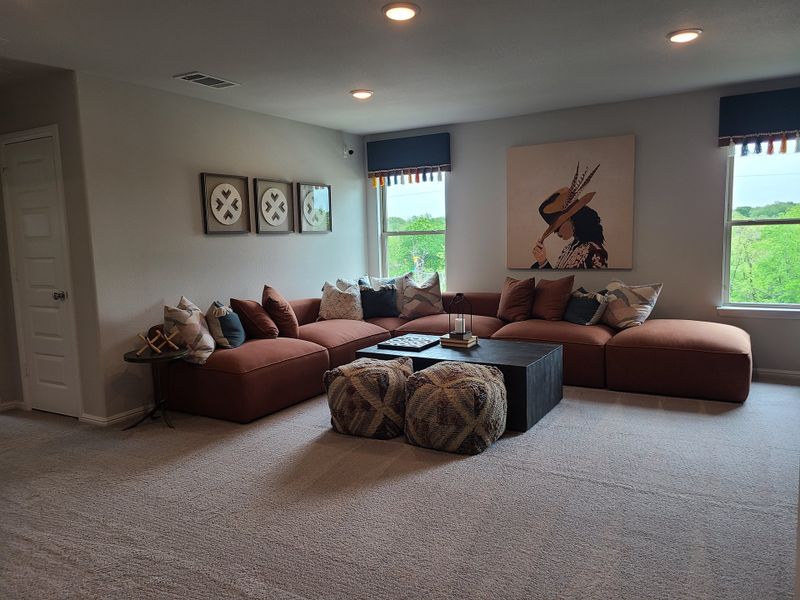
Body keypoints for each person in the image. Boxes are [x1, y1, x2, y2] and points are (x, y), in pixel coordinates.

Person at [530, 162, 608, 269]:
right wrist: (542, 260)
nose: (555, 232)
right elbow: (556, 280)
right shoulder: (568, 249)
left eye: (558, 226)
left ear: (573, 219)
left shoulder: (595, 252)